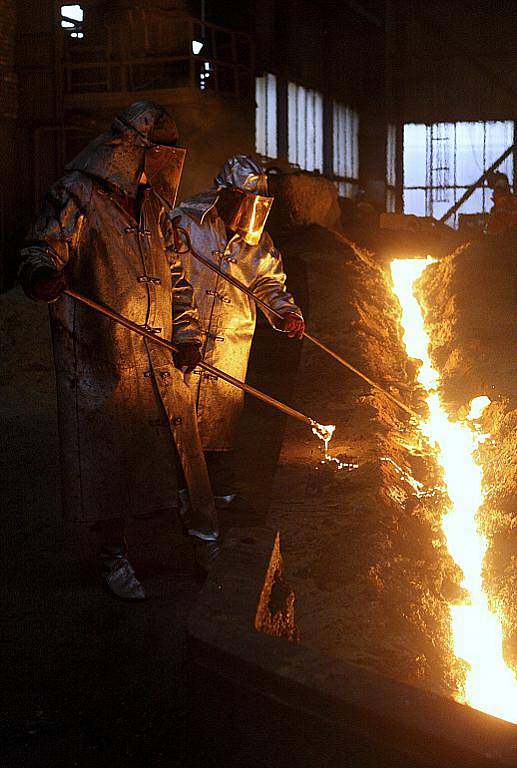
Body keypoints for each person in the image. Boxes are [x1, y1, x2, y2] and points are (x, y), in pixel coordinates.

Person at [18, 101, 219, 600]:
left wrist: (188, 334)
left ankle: (195, 543)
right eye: (161, 152)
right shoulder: (77, 196)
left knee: (171, 452)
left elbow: (175, 278)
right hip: (101, 354)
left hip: (157, 355)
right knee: (107, 460)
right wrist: (42, 274)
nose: (168, 163)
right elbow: (41, 249)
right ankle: (113, 555)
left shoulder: (153, 208)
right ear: (134, 151)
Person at [168, 155, 305, 509]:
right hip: (181, 337)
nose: (250, 213)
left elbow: (267, 282)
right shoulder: (184, 223)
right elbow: (167, 273)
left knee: (220, 418)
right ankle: (178, 491)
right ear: (225, 195)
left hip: (230, 340)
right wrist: (181, 330)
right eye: (244, 202)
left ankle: (220, 490)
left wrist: (286, 311)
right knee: (176, 417)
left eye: (257, 206)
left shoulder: (258, 244)